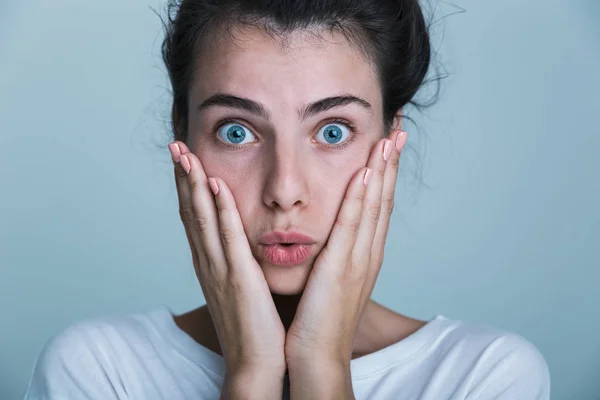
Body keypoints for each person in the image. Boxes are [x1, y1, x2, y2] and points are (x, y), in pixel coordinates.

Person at [23, 0, 551, 399]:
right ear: (181, 135)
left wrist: (321, 366)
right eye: (236, 132)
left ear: (391, 140)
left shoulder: (484, 376)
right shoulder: (100, 371)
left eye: (334, 132)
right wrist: (251, 374)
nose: (285, 191)